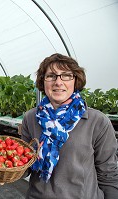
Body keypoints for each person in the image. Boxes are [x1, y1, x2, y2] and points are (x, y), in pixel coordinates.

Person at [21, 53, 118, 199]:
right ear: (43, 81)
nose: (58, 82)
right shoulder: (30, 118)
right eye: (51, 76)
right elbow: (26, 164)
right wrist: (7, 170)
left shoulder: (97, 121)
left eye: (66, 76)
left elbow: (108, 174)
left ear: (76, 80)